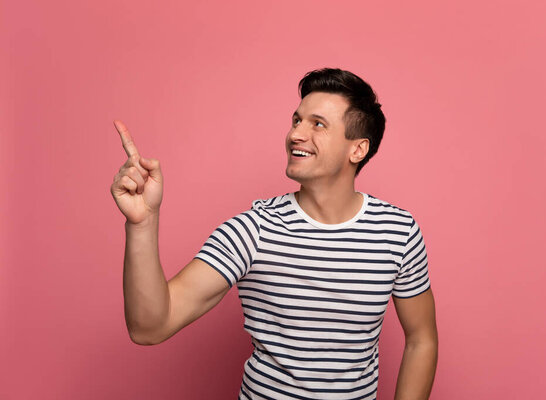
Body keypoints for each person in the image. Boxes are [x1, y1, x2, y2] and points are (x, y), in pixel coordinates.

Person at [110, 68, 438, 399]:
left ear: (357, 150)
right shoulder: (253, 230)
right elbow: (149, 327)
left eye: (317, 124)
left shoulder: (398, 232)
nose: (296, 134)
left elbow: (422, 339)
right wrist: (143, 222)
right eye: (297, 120)